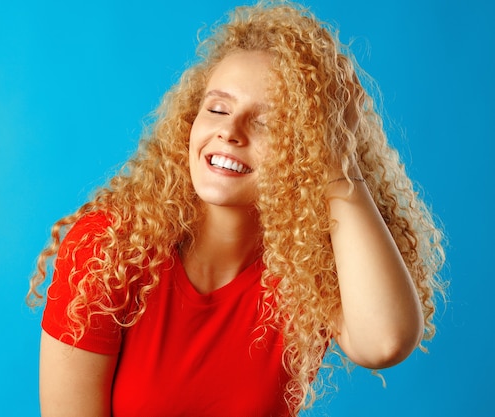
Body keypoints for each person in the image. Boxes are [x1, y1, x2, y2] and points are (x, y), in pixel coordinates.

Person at [27, 1, 446, 416]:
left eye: (266, 122)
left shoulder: (310, 270)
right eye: (217, 108)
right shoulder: (107, 250)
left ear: (308, 149)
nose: (229, 131)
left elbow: (385, 342)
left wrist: (338, 164)